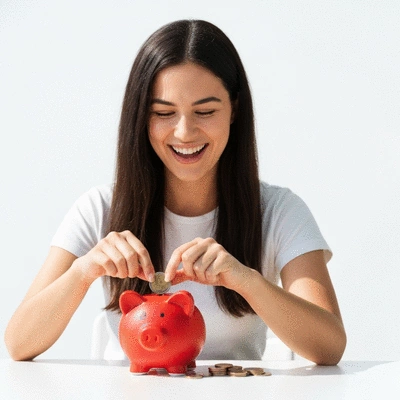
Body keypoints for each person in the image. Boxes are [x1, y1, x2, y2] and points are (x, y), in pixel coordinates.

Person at [5, 19, 346, 365]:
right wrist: (84, 270)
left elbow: (330, 347)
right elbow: (19, 343)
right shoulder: (100, 208)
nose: (184, 132)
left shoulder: (278, 211)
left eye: (205, 111)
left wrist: (247, 281)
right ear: (141, 117)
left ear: (235, 110)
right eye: (164, 113)